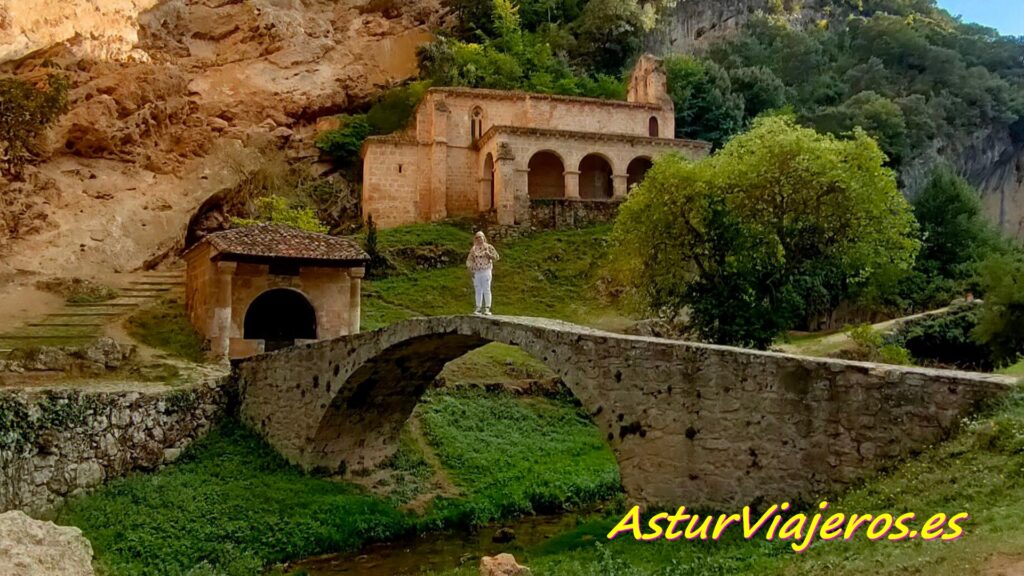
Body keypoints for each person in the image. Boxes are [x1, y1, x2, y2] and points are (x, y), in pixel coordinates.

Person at [466, 231, 500, 315]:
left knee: (486, 288)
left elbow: (497, 257)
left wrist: (490, 256)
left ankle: (487, 308)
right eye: (477, 237)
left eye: (480, 237)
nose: (479, 239)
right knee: (478, 289)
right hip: (477, 271)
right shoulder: (473, 249)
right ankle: (478, 308)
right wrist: (470, 267)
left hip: (486, 270)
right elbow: (469, 259)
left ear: (483, 237)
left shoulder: (489, 247)